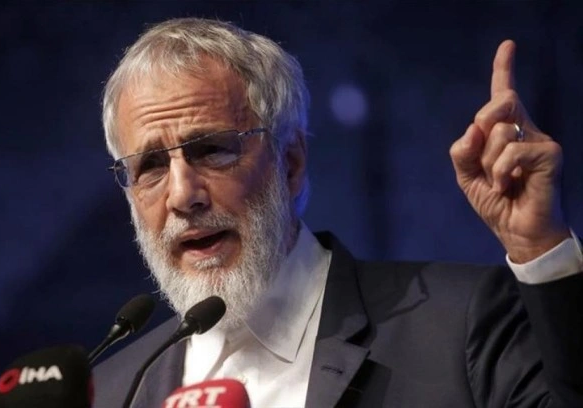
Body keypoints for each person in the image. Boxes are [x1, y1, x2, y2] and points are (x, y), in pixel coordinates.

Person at [92, 18, 582, 407]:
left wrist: (543, 249)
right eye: (150, 166)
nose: (183, 195)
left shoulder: (457, 324)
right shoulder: (112, 392)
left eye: (213, 149)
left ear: (290, 163)